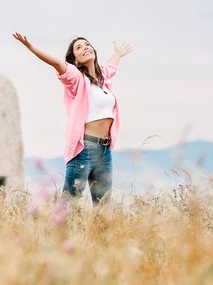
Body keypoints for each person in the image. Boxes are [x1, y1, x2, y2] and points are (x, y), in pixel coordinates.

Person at [13, 32, 132, 204]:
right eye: (79, 47)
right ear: (75, 60)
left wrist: (118, 53)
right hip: (85, 149)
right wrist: (31, 47)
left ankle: (97, 232)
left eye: (87, 44)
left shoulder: (102, 77)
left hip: (105, 152)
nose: (85, 47)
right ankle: (54, 231)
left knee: (103, 206)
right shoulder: (76, 78)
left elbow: (111, 66)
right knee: (68, 203)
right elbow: (56, 63)